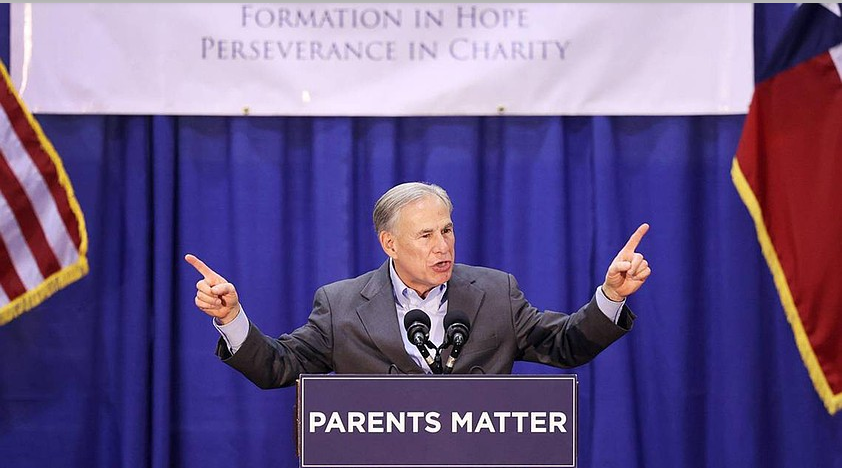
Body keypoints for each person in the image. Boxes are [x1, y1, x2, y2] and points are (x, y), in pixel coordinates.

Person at [186, 182, 650, 388]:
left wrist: (609, 297)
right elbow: (278, 368)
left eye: (446, 230)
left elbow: (565, 345)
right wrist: (231, 319)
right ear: (389, 243)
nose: (441, 245)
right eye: (425, 235)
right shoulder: (342, 304)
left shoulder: (496, 293)